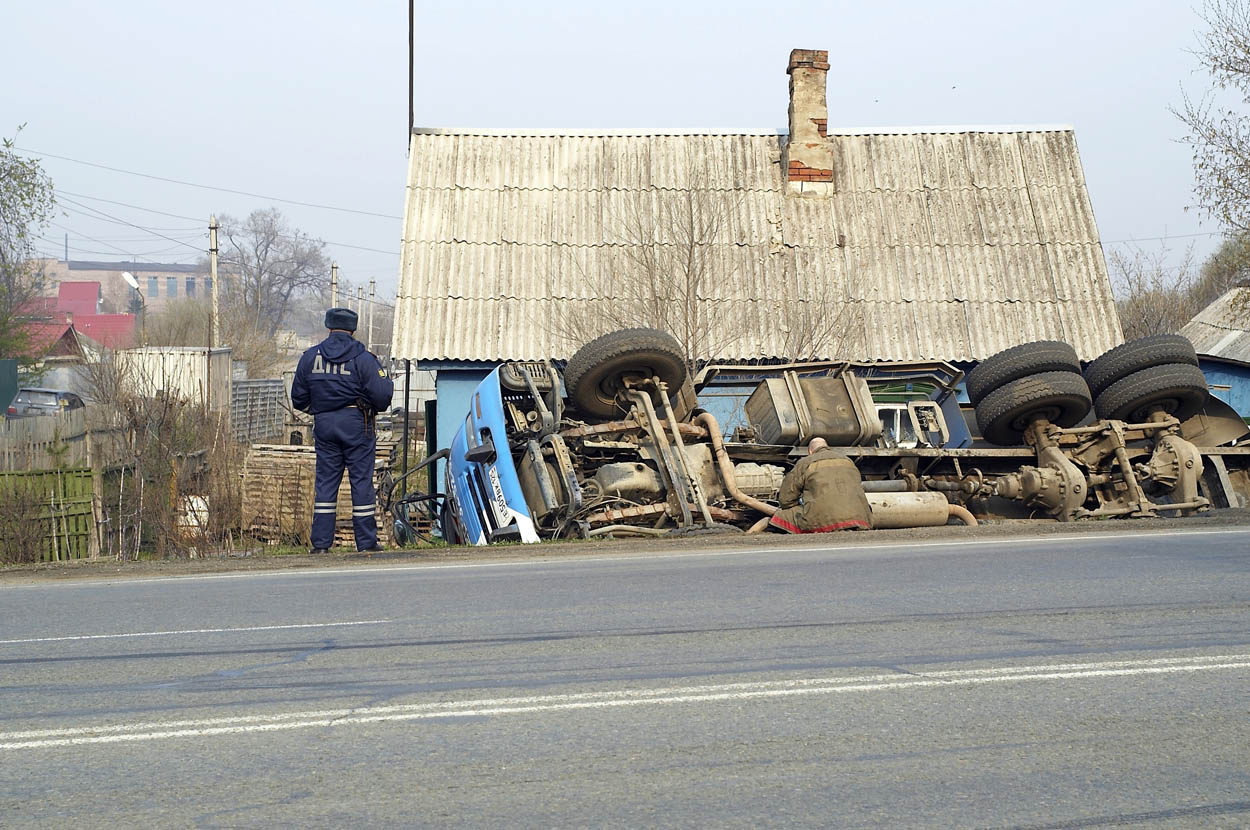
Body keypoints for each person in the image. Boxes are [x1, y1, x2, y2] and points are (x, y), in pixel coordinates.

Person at [291, 308, 394, 553]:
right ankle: (366, 543)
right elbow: (383, 396)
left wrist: (321, 409)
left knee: (326, 483)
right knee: (360, 482)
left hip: (324, 425)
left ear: (328, 326)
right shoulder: (363, 359)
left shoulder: (310, 356)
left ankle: (321, 545)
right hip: (357, 424)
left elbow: (298, 399)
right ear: (354, 329)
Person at [766, 437, 872, 533]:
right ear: (827, 447)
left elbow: (786, 500)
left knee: (780, 517)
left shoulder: (805, 462)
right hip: (861, 519)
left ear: (810, 451)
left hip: (824, 522)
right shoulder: (848, 461)